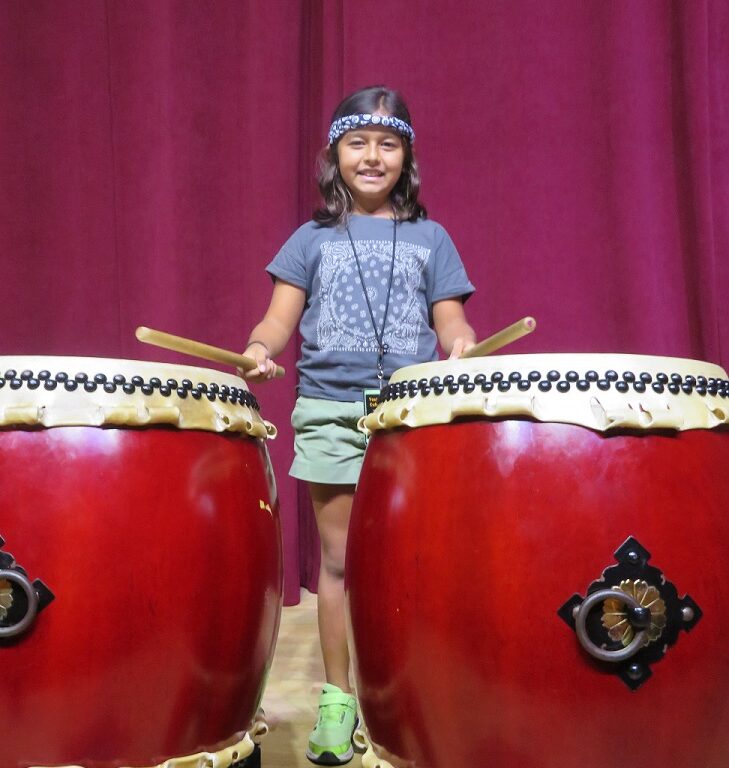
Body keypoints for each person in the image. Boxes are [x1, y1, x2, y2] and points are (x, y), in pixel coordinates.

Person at [242, 85, 476, 765]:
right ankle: (339, 699)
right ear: (335, 154)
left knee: (414, 563)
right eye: (357, 143)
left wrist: (459, 340)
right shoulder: (309, 238)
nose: (372, 157)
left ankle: (414, 690)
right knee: (340, 565)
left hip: (410, 418)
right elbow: (277, 322)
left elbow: (451, 319)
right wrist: (259, 349)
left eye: (388, 143)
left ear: (406, 156)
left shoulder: (432, 238)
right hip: (328, 412)